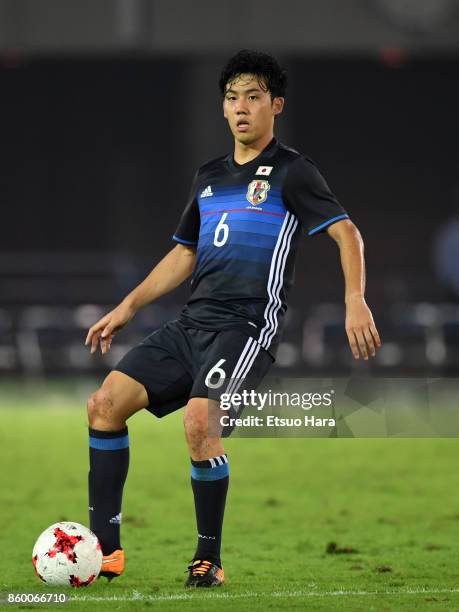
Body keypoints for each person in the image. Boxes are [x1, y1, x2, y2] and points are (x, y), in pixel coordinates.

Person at [85, 49, 381, 588]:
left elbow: (347, 233)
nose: (241, 107)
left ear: (276, 105)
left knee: (200, 423)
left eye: (253, 96)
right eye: (231, 97)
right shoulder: (209, 176)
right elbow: (185, 254)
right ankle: (103, 552)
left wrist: (354, 297)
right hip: (192, 324)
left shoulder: (293, 171)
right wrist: (127, 307)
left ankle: (208, 560)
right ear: (222, 110)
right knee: (104, 404)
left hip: (246, 326)